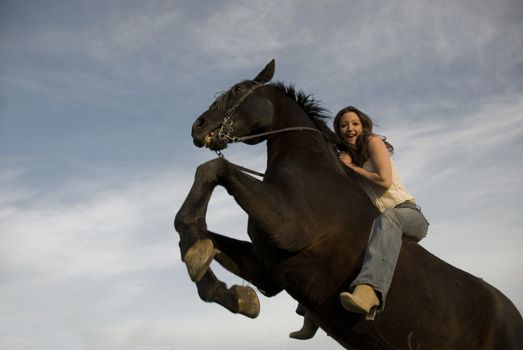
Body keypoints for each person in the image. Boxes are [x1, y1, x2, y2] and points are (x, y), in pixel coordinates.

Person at [289, 106, 429, 339]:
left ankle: (370, 292)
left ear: (363, 125)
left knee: (389, 216)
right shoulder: (347, 160)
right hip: (381, 224)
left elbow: (384, 181)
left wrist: (352, 167)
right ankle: (311, 313)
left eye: (354, 123)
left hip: (408, 214)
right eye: (343, 125)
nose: (349, 129)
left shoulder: (373, 142)